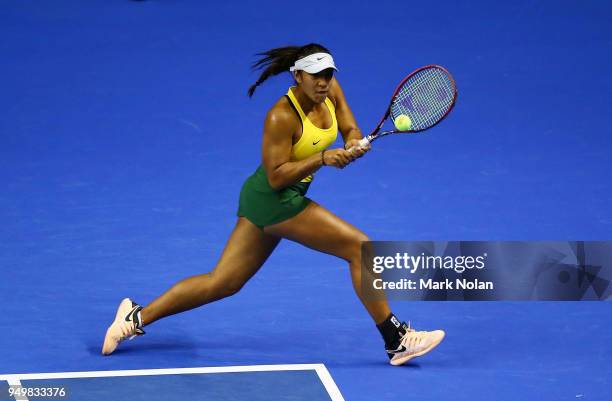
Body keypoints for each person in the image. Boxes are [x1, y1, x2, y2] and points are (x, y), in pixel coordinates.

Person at [102, 43, 445, 365]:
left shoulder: (331, 92)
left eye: (328, 75)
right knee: (361, 248)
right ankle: (395, 339)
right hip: (274, 198)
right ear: (298, 76)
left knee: (223, 282)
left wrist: (354, 142)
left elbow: (350, 127)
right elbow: (278, 176)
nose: (324, 83)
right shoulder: (281, 116)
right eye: (316, 76)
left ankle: (135, 316)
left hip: (270, 198)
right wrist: (323, 158)